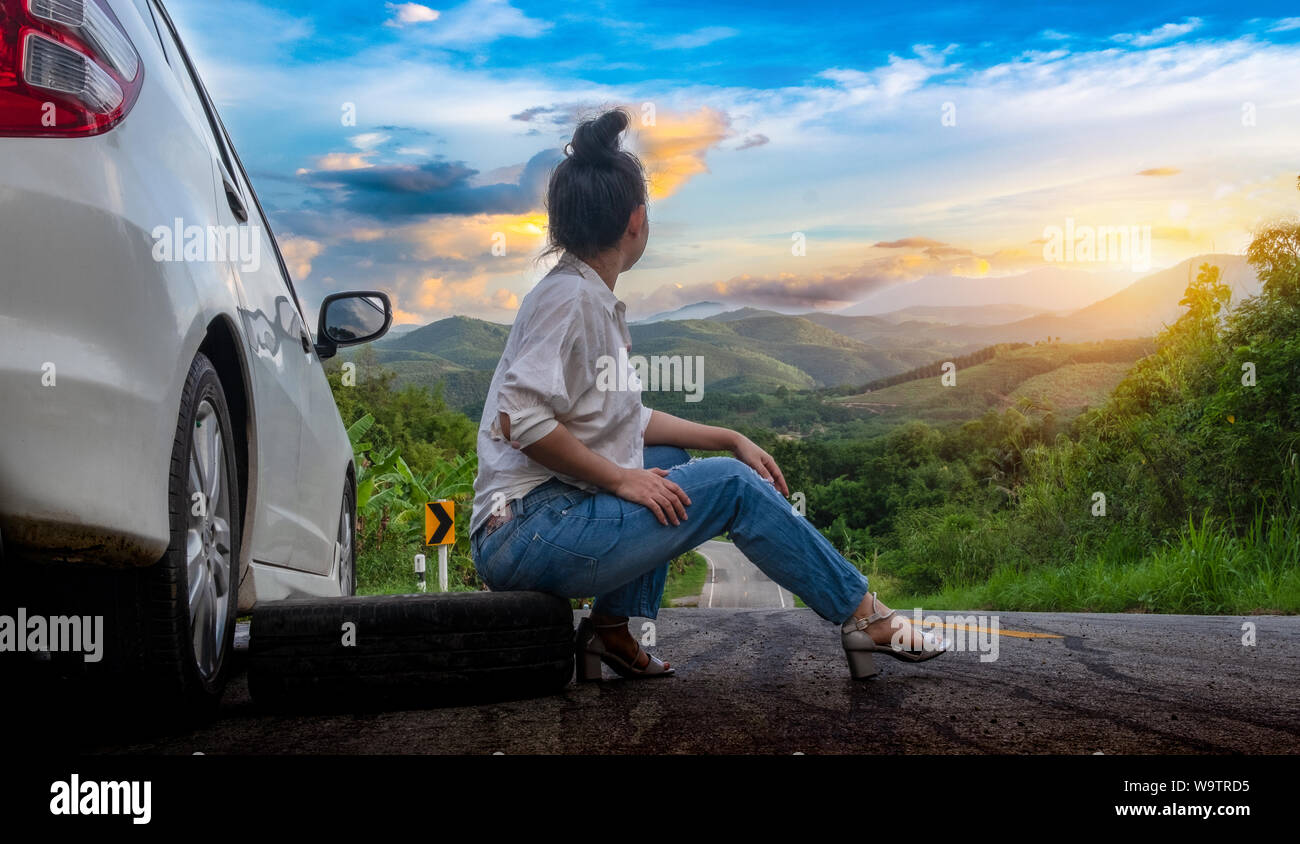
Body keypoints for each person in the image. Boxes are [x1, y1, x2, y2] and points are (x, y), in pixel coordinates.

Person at [469, 108, 949, 681]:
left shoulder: (585, 296)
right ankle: (863, 615)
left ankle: (608, 633)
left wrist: (729, 435)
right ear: (637, 220)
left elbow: (625, 420)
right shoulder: (571, 299)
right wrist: (623, 479)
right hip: (525, 530)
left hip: (542, 521)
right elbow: (519, 417)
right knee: (727, 485)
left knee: (669, 462)